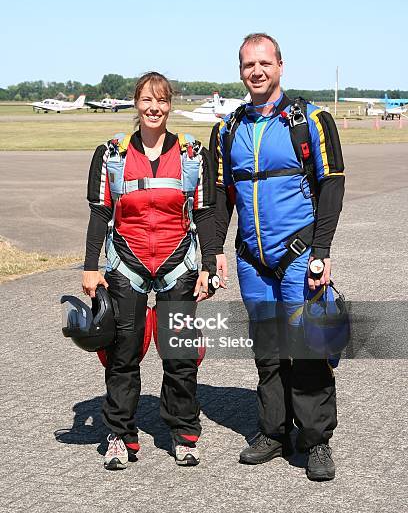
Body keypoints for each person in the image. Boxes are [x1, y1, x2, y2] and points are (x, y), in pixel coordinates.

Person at [210, 34, 345, 481]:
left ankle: (317, 440)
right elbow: (219, 196)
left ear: (281, 66)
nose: (257, 71)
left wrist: (321, 252)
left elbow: (333, 187)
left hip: (299, 255)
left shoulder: (311, 120)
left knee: (305, 348)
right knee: (267, 351)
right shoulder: (227, 129)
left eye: (265, 63)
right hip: (252, 260)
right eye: (249, 64)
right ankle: (273, 431)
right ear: (241, 70)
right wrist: (215, 251)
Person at [83, 72, 217, 470]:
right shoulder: (111, 154)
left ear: (170, 104)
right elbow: (99, 213)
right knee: (123, 355)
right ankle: (120, 436)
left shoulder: (193, 153)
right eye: (146, 100)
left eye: (161, 100)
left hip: (179, 265)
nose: (154, 108)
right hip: (127, 264)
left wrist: (208, 265)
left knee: (179, 355)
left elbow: (206, 214)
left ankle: (184, 433)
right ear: (136, 103)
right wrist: (92, 266)